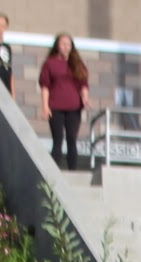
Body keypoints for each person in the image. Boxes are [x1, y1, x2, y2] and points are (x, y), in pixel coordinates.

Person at [38, 33, 91, 172]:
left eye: (68, 44)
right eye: (63, 44)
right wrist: (45, 107)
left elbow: (83, 84)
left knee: (71, 139)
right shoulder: (50, 63)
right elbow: (45, 86)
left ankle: (72, 170)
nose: (66, 47)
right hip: (55, 107)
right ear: (57, 45)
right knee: (58, 139)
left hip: (74, 107)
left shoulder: (77, 64)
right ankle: (54, 171)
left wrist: (85, 98)